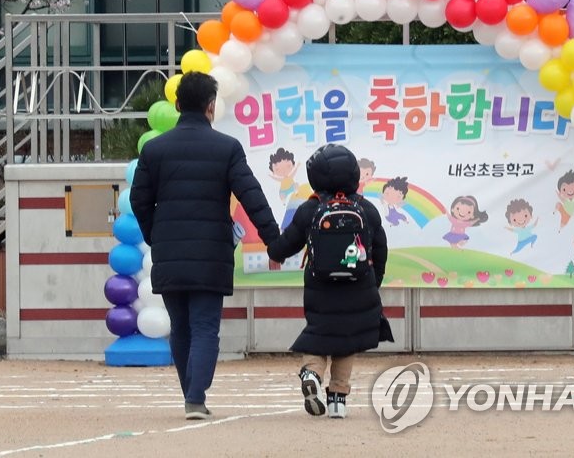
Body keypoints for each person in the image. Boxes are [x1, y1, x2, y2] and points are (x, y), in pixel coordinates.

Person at [130, 71, 280, 420]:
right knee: (204, 327)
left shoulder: (154, 150)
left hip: (168, 252)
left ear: (178, 104)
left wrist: (156, 234)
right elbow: (252, 196)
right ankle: (196, 398)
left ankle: (191, 396)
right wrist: (274, 241)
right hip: (212, 253)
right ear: (211, 106)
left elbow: (139, 200)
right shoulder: (226, 148)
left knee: (180, 326)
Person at [266, 144, 388, 420]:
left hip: (320, 286)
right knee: (349, 338)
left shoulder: (311, 208)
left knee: (320, 332)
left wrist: (274, 252)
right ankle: (338, 401)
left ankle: (311, 372)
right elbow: (380, 248)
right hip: (359, 285)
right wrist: (374, 280)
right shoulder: (366, 209)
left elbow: (286, 244)